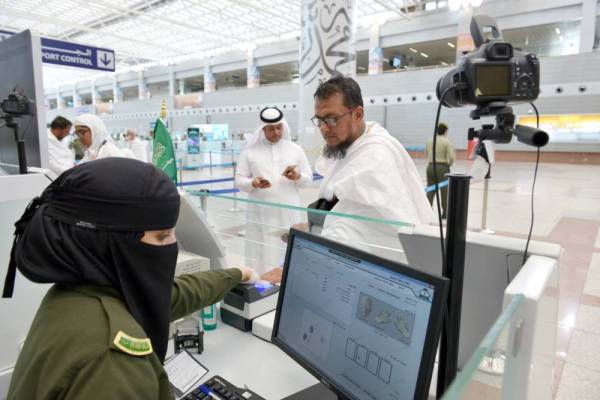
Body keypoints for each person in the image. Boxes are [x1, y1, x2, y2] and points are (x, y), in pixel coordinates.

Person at [2, 158, 257, 399]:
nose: (173, 245)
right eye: (162, 236)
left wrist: (236, 274)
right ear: (112, 243)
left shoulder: (78, 292)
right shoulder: (112, 359)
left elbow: (172, 295)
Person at [261, 76, 433, 283]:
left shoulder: (375, 156)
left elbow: (365, 232)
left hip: (380, 276)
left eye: (332, 119)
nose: (324, 128)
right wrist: (311, 231)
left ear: (357, 114)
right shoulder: (355, 145)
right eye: (319, 120)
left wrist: (299, 259)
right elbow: (346, 214)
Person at [235, 107, 312, 274]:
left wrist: (297, 176)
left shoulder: (295, 149)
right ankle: (260, 279)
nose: (276, 132)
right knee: (260, 248)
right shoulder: (250, 151)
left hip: (287, 212)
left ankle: (286, 279)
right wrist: (253, 183)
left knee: (286, 246)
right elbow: (239, 180)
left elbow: (308, 179)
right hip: (260, 212)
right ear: (263, 129)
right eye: (271, 129)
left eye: (279, 127)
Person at [425, 122, 455, 219]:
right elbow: (451, 157)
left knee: (430, 190)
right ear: (445, 131)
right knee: (444, 191)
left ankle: (426, 211)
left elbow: (426, 153)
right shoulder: (446, 142)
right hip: (442, 168)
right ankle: (445, 213)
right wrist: (448, 165)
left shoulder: (429, 140)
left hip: (430, 167)